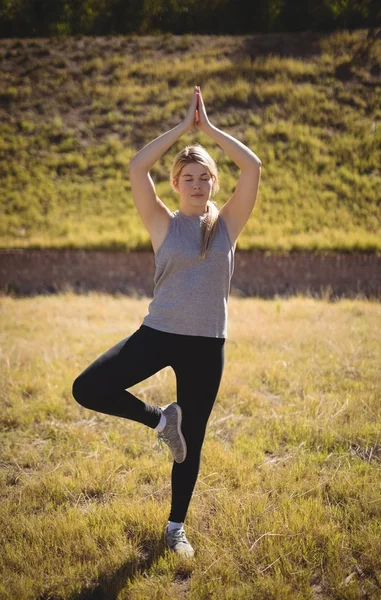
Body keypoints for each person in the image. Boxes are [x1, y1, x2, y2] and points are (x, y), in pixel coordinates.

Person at [72, 85, 262, 558]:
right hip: (158, 334)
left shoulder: (228, 226)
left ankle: (175, 528)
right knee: (88, 387)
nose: (197, 184)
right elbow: (138, 167)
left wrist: (211, 130)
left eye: (205, 177)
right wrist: (183, 128)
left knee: (191, 443)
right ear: (176, 184)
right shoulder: (162, 222)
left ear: (214, 183)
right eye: (189, 177)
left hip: (206, 344)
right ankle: (160, 420)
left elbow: (254, 168)